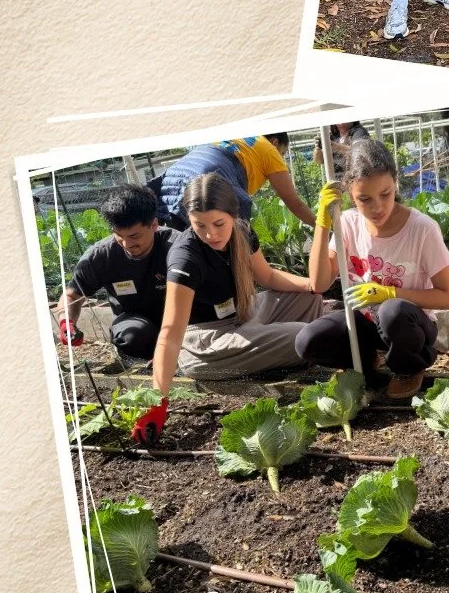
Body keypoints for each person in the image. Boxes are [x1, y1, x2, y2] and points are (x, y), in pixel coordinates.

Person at [130, 172, 326, 444]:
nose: (211, 234)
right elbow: (171, 333)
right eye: (200, 226)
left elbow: (267, 278)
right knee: (304, 335)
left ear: (234, 215)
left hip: (243, 316)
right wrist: (156, 402)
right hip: (207, 342)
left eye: (219, 223)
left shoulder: (242, 231)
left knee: (310, 300)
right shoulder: (185, 258)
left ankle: (276, 348)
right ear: (189, 220)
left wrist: (313, 285)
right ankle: (286, 347)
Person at [295, 140, 449, 399]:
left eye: (386, 194)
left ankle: (409, 368)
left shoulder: (422, 228)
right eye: (364, 199)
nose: (377, 207)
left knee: (392, 310)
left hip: (410, 326)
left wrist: (390, 293)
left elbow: (448, 297)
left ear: (395, 183)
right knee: (308, 341)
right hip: (367, 323)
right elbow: (319, 283)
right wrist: (323, 223)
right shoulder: (346, 223)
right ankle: (366, 361)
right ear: (349, 193)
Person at [54, 184, 174, 363]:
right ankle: (140, 364)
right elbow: (72, 295)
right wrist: (67, 324)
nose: (126, 244)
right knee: (131, 336)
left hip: (183, 319)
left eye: (134, 236)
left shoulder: (177, 246)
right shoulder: (102, 255)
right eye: (119, 235)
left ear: (154, 225)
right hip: (136, 321)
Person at [157, 134, 316, 229]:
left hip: (172, 180)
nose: (281, 159)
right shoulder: (268, 149)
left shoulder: (238, 136)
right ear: (275, 142)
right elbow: (295, 203)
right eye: (282, 153)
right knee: (236, 245)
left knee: (182, 248)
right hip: (210, 178)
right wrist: (322, 227)